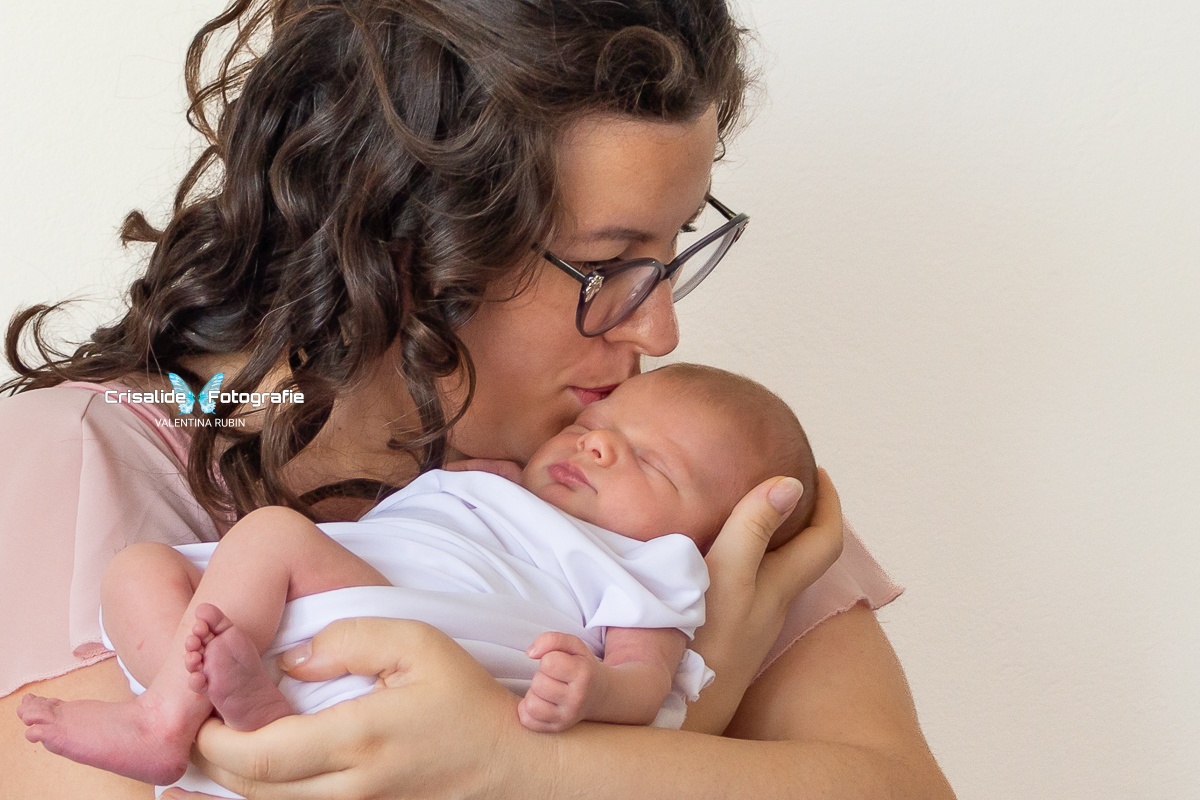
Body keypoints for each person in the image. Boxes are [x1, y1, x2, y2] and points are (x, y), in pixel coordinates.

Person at [0, 1, 955, 797]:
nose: (659, 332)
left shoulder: (671, 461)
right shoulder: (77, 466)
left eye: (673, 254)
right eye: (605, 264)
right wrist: (702, 697)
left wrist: (517, 761)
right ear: (397, 241)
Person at [19, 364, 818, 794]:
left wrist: (592, 692)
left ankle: (168, 719)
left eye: (650, 461)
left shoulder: (655, 567)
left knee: (266, 534)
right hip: (305, 620)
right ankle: (208, 716)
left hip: (418, 656)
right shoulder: (502, 472)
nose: (597, 446)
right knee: (137, 570)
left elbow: (645, 686)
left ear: (705, 536)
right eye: (594, 427)